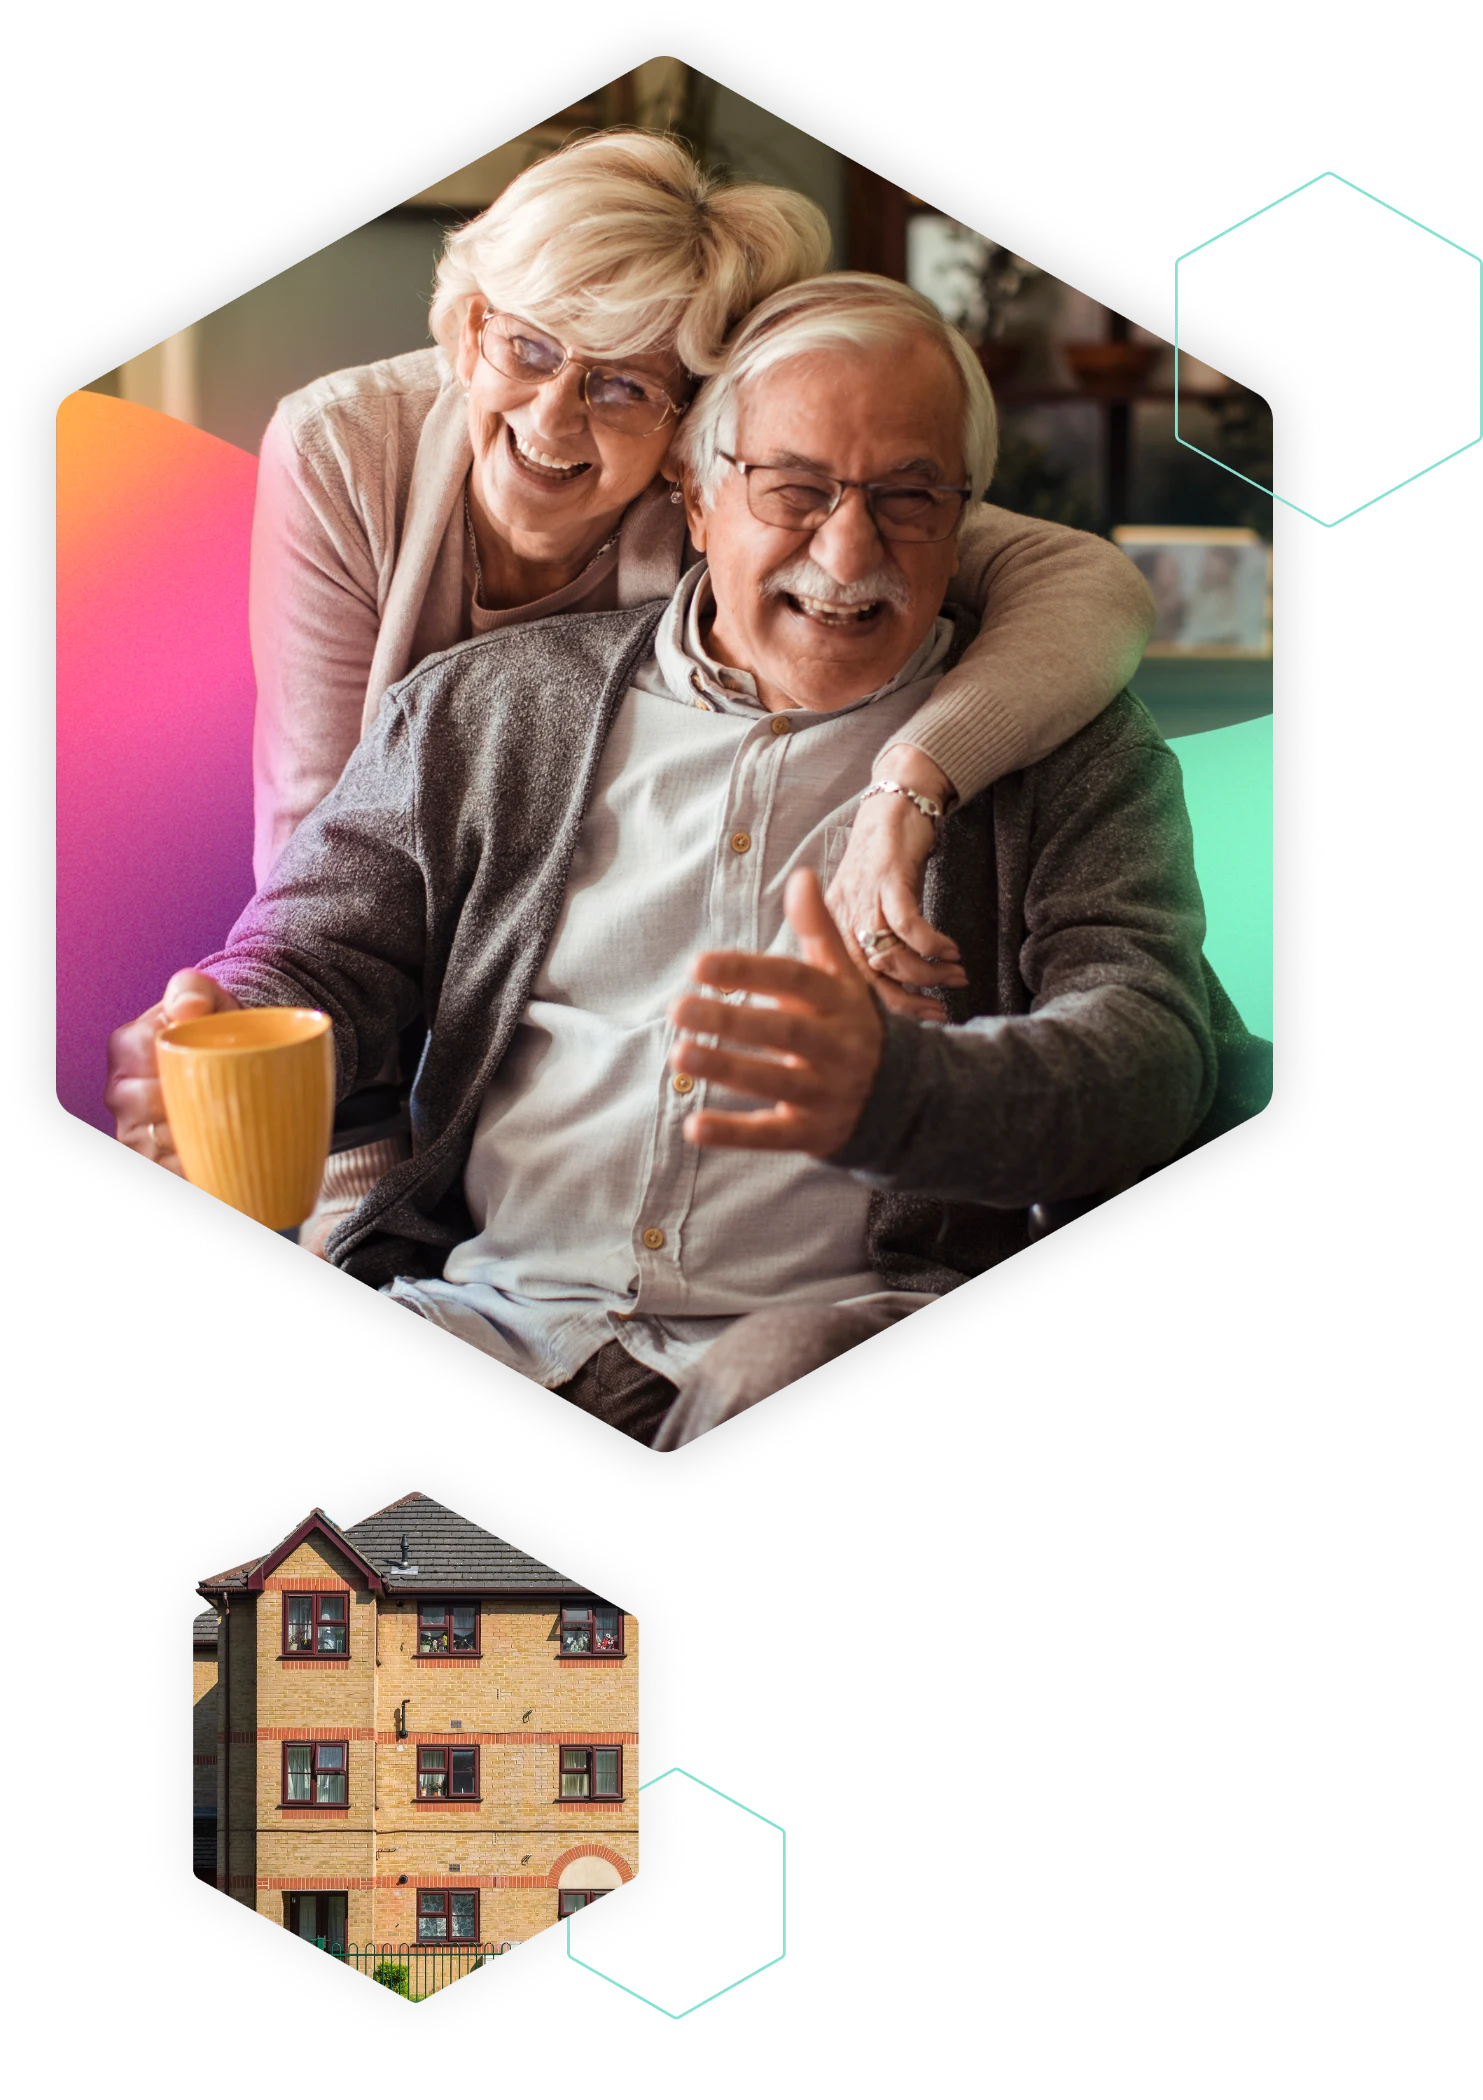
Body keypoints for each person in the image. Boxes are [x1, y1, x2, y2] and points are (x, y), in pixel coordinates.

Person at [108, 274, 1264, 1451]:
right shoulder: (481, 710)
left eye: (909, 497)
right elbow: (316, 954)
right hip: (490, 1316)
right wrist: (216, 1022)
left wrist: (901, 1094)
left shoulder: (1068, 750)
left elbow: (1151, 1058)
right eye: (795, 489)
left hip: (825, 1339)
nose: (848, 548)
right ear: (698, 499)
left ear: (962, 518)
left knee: (779, 1385)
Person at [247, 129, 1154, 1246]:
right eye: (527, 345)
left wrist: (911, 786)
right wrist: (343, 1201)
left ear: (681, 435)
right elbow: (319, 893)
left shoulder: (1037, 719)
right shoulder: (362, 478)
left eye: (622, 383)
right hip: (488, 1276)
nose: (552, 419)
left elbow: (1082, 584)